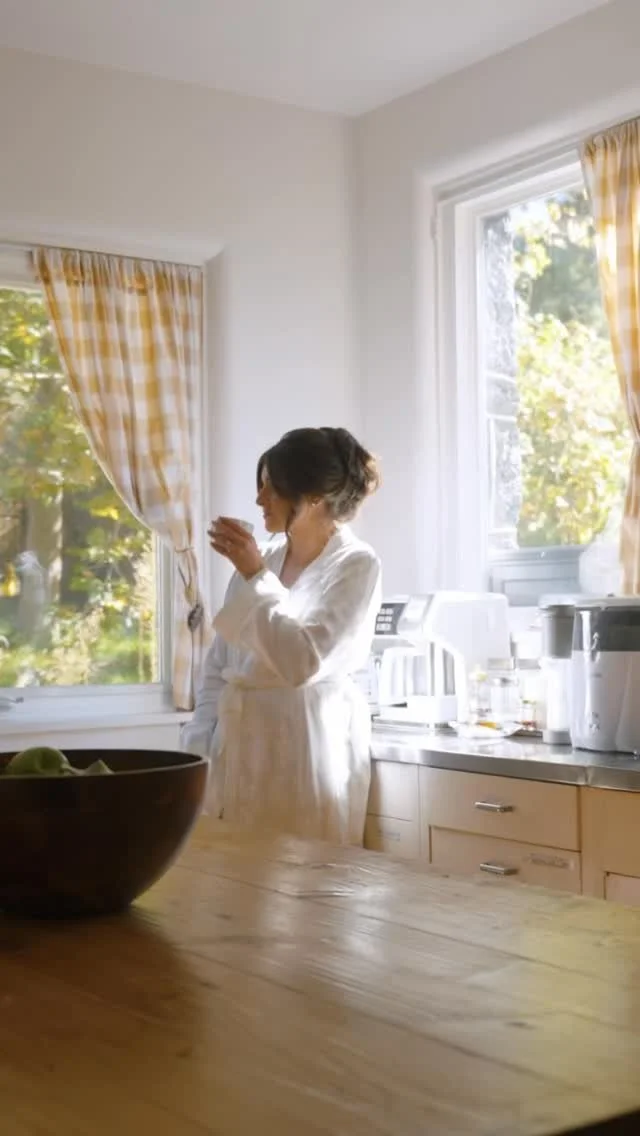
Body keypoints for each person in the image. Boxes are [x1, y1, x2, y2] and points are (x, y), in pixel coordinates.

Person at [181, 426, 382, 844]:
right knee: (233, 873)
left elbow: (302, 662)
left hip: (305, 745)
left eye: (272, 488)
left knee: (300, 874)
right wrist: (198, 747)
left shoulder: (355, 565)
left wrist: (256, 575)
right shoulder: (264, 559)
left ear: (314, 496)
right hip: (236, 746)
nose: (259, 499)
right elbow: (219, 665)